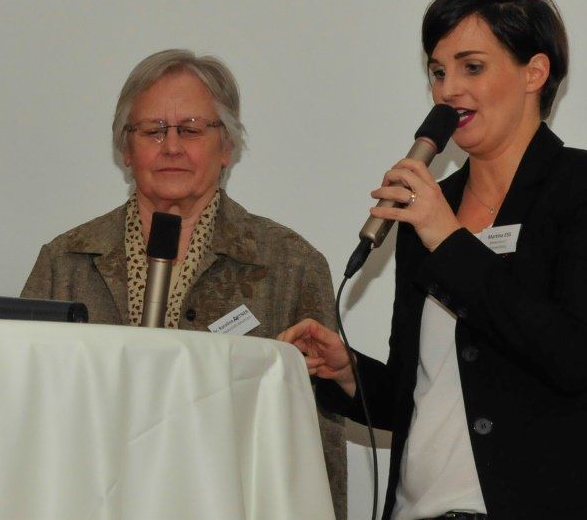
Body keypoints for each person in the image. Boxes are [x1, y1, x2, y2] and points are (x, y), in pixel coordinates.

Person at [281, 0, 587, 520]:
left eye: (471, 67)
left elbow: (573, 357)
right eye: (437, 71)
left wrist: (448, 238)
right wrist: (348, 373)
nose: (448, 89)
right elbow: (419, 395)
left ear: (534, 72)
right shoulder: (433, 207)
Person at [21, 49, 348, 518]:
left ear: (227, 147)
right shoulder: (65, 261)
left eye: (191, 129)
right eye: (153, 130)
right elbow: (25, 414)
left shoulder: (289, 264)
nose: (171, 146)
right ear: (126, 150)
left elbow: (318, 435)